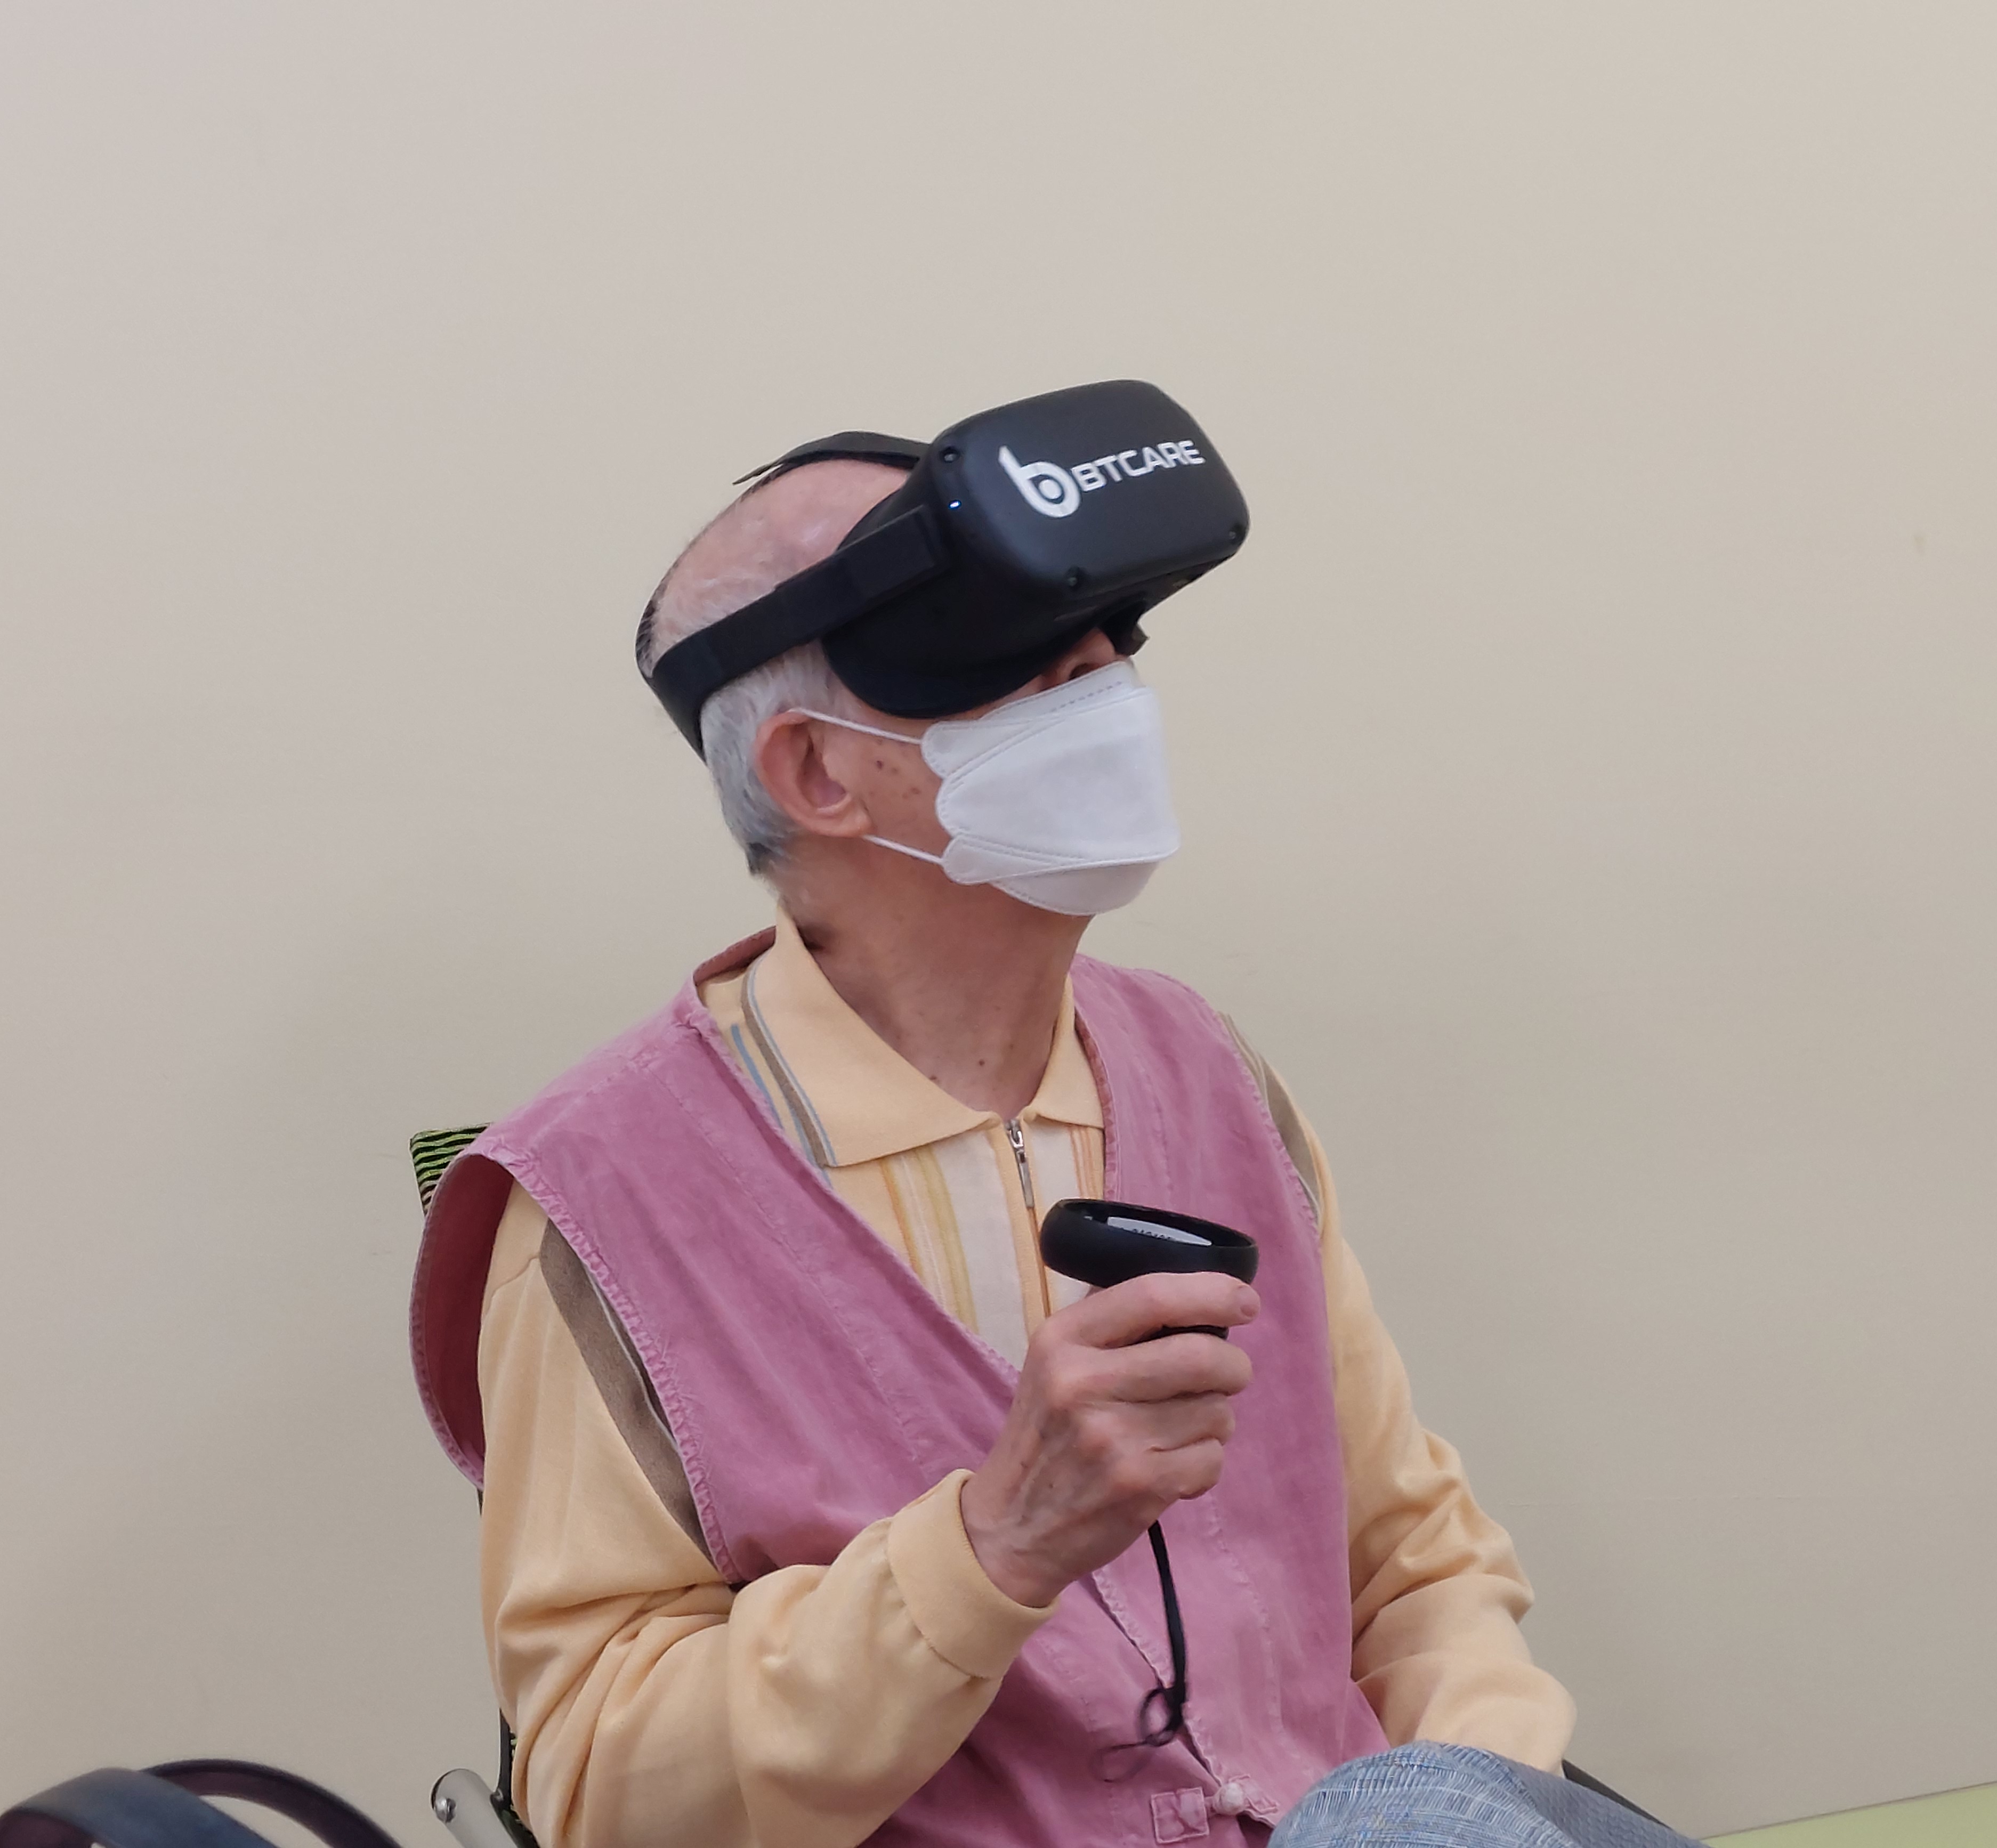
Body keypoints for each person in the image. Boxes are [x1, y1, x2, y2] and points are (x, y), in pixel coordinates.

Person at [410, 387, 1699, 1848]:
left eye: (1103, 640)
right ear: (816, 772)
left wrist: (1463, 1793)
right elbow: (601, 1784)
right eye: (1004, 654)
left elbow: (1412, 1562)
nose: (1098, 679)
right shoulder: (601, 1202)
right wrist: (989, 1547)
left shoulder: (1203, 1070)